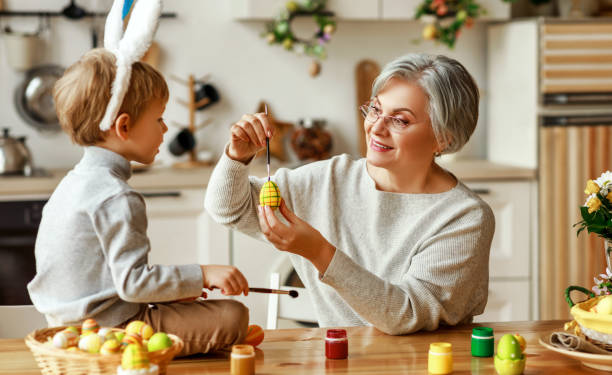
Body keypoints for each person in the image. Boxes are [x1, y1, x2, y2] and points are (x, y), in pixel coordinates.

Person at [205, 53, 495, 334]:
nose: (376, 128)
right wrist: (236, 157)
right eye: (376, 109)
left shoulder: (464, 217)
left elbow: (407, 315)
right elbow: (229, 209)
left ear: (443, 137)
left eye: (400, 120)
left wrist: (319, 252)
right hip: (342, 361)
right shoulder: (326, 180)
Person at [27, 48, 252, 355]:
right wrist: (203, 273)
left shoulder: (71, 184)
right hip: (111, 331)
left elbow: (112, 279)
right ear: (123, 127)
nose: (165, 128)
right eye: (158, 118)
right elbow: (133, 284)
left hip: (66, 326)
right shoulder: (116, 195)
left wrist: (179, 290)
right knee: (233, 316)